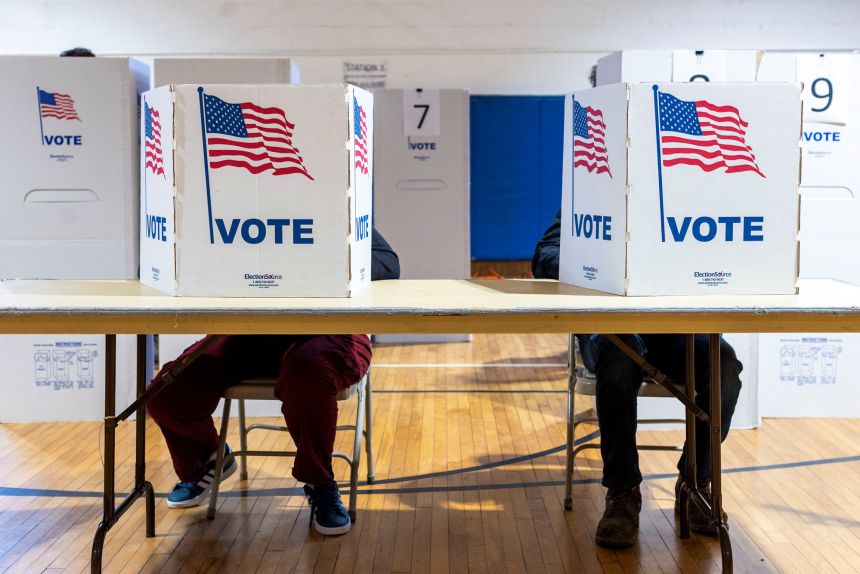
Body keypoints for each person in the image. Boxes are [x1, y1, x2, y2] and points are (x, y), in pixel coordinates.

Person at [147, 228, 399, 536]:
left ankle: (320, 483)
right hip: (247, 329)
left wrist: (301, 264)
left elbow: (387, 264)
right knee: (168, 391)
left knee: (308, 374)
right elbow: (160, 263)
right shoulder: (224, 205)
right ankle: (207, 460)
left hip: (326, 327)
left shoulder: (331, 200)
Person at [532, 211, 742, 548]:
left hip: (672, 327)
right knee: (620, 355)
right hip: (610, 326)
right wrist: (604, 269)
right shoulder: (593, 193)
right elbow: (544, 255)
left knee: (724, 364)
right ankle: (623, 491)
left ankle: (694, 482)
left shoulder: (690, 197)